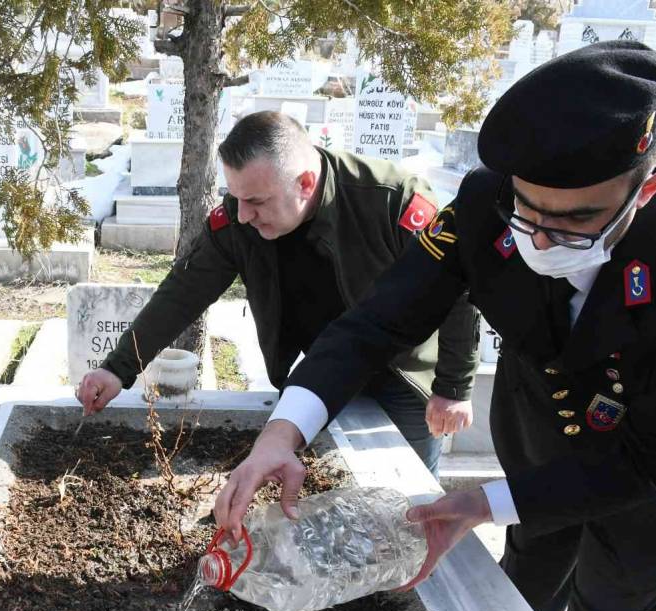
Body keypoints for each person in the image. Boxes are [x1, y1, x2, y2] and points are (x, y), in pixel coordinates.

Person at [214, 41, 656, 611]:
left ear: (645, 187)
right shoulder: (485, 204)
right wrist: (283, 433)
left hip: (653, 486)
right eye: (529, 210)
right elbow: (376, 322)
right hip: (538, 439)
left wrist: (486, 502)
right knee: (522, 586)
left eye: (579, 219)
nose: (542, 239)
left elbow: (649, 460)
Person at [76, 111, 479, 475]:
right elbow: (184, 292)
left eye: (255, 201)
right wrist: (118, 367)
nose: (243, 215)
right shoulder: (239, 215)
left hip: (400, 374)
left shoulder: (390, 199)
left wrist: (453, 388)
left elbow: (455, 285)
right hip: (315, 376)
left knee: (403, 504)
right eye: (236, 199)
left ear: (305, 183)